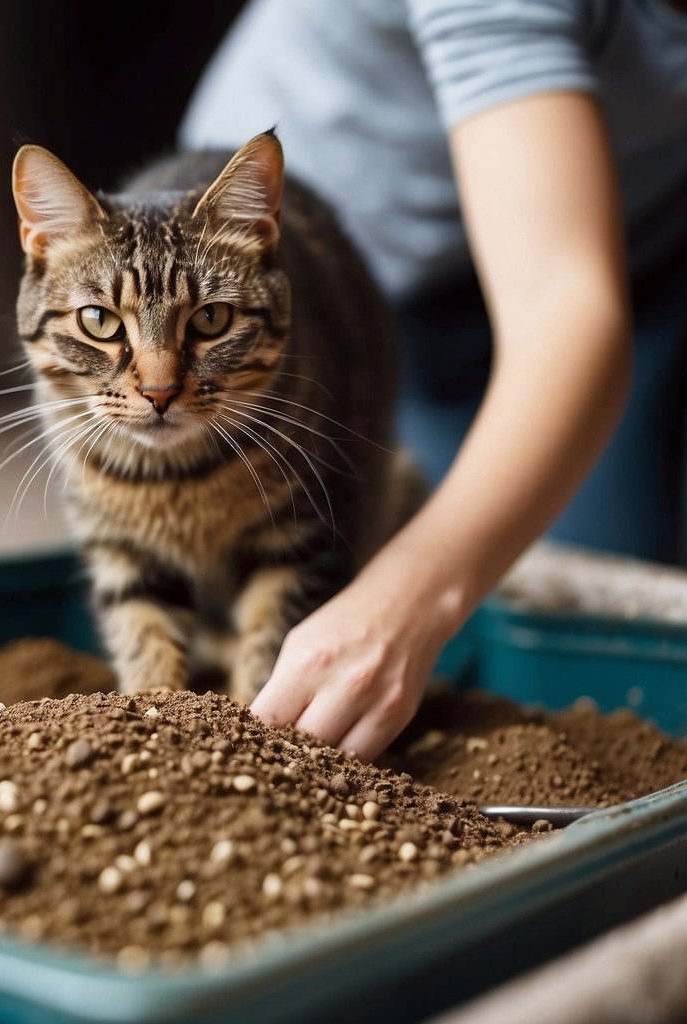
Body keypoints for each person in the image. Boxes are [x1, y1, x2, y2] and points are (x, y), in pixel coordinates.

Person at [179, 0, 687, 761]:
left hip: (633, 246)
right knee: (293, 578)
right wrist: (410, 599)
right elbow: (561, 299)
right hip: (305, 283)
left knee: (592, 641)